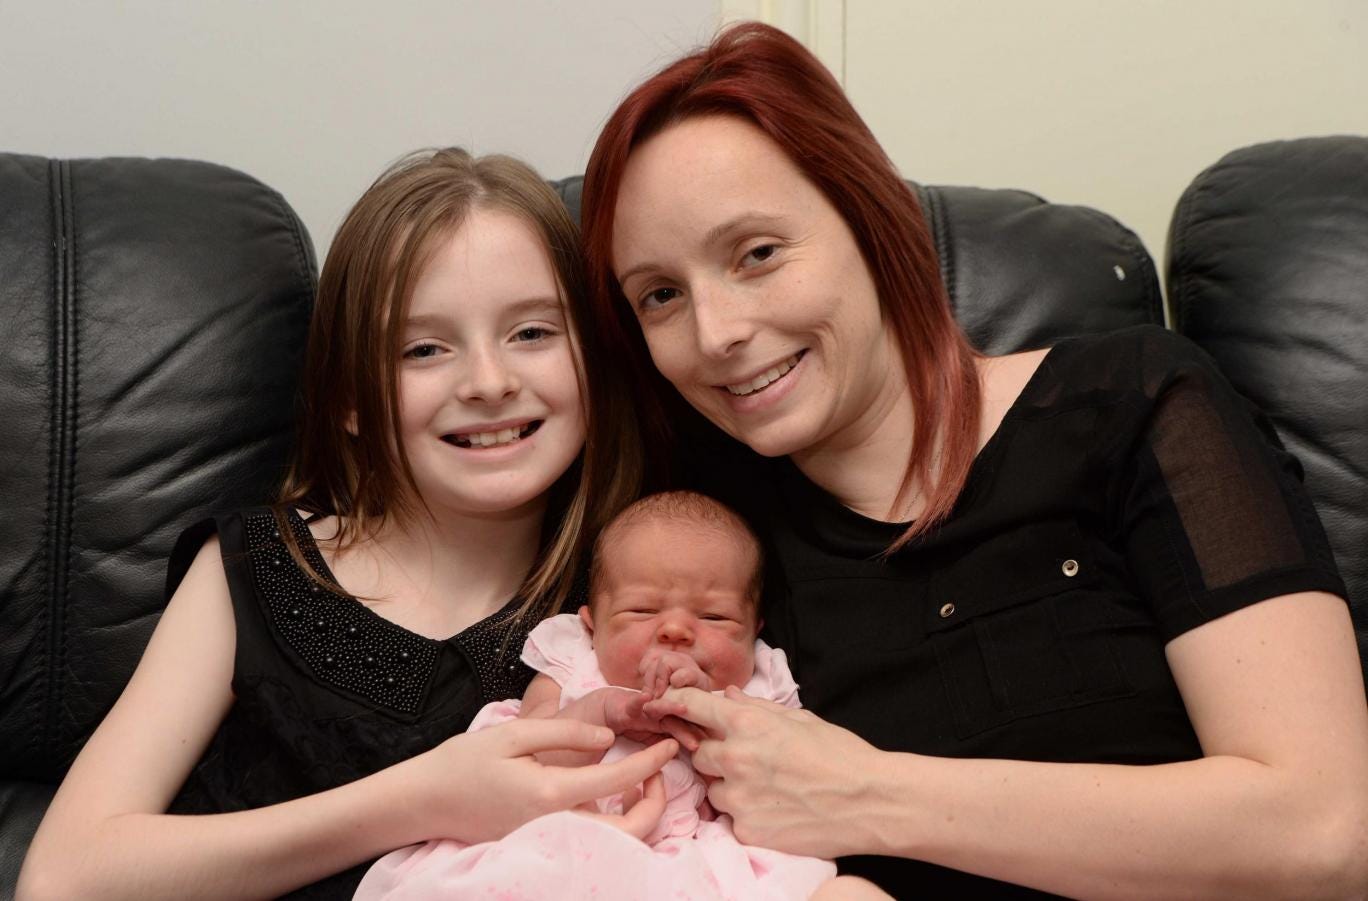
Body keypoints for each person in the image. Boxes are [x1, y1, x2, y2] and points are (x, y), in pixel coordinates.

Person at [576, 22, 1368, 899]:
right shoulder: (709, 549)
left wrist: (873, 794)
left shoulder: (1131, 405)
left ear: (869, 219)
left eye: (757, 254)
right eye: (660, 295)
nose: (716, 333)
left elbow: (1327, 830)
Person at [17, 148, 679, 901]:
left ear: (594, 358)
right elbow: (64, 874)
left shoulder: (635, 598)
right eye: (424, 348)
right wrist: (422, 799)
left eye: (532, 332)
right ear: (350, 399)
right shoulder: (259, 568)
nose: (490, 382)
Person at [355, 490, 876, 900]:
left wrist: (708, 712)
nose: (675, 629)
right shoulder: (573, 664)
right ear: (591, 626)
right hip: (559, 832)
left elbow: (784, 783)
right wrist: (603, 712)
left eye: (714, 617)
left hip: (693, 861)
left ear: (755, 630)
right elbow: (529, 752)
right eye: (642, 611)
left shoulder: (760, 684)